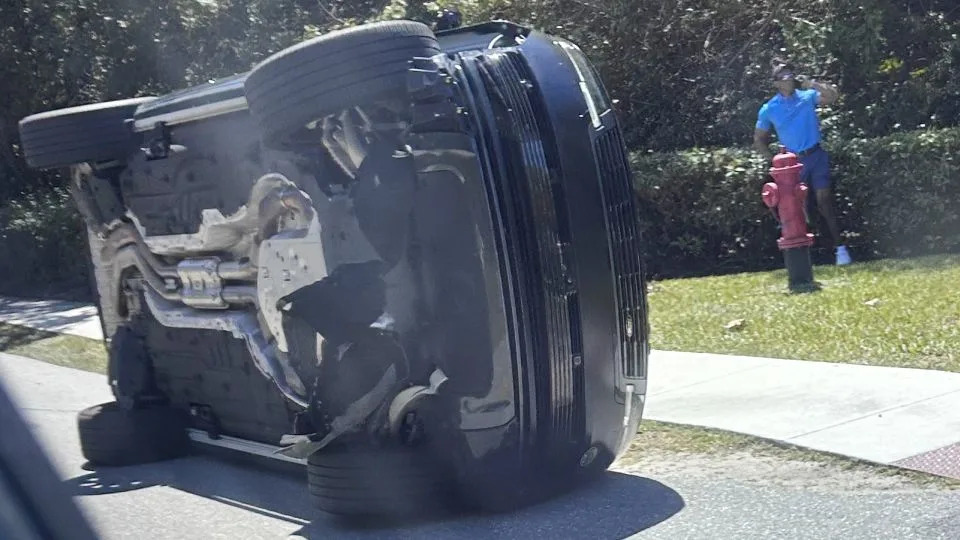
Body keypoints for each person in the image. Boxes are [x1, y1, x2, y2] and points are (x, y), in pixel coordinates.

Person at [754, 59, 852, 266]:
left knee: (824, 201)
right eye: (783, 77)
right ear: (776, 83)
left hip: (816, 155)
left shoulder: (806, 96)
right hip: (792, 165)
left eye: (790, 75)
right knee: (799, 209)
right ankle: (808, 253)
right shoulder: (769, 108)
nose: (788, 79)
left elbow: (833, 96)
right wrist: (775, 162)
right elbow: (759, 140)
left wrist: (813, 84)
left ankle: (840, 249)